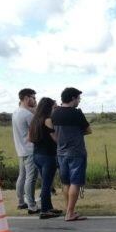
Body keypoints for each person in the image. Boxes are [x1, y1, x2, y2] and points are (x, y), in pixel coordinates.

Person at [51, 87, 92, 221]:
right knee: (75, 182)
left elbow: (53, 132)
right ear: (73, 98)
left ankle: (69, 209)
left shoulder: (55, 113)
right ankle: (70, 213)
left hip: (60, 152)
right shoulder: (76, 113)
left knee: (65, 182)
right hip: (76, 151)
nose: (79, 101)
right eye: (78, 98)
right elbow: (88, 130)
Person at [28, 97, 63, 219]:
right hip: (48, 155)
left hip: (37, 155)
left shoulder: (35, 120)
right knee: (47, 185)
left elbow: (30, 138)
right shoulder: (47, 120)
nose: (55, 108)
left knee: (46, 183)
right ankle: (44, 210)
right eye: (54, 106)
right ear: (49, 107)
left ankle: (49, 208)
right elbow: (55, 138)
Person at [12, 88, 39, 214]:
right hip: (30, 150)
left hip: (20, 150)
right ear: (27, 98)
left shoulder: (16, 112)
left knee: (22, 176)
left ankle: (21, 202)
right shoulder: (28, 115)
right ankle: (32, 206)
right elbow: (36, 133)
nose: (35, 100)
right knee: (31, 178)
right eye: (33, 97)